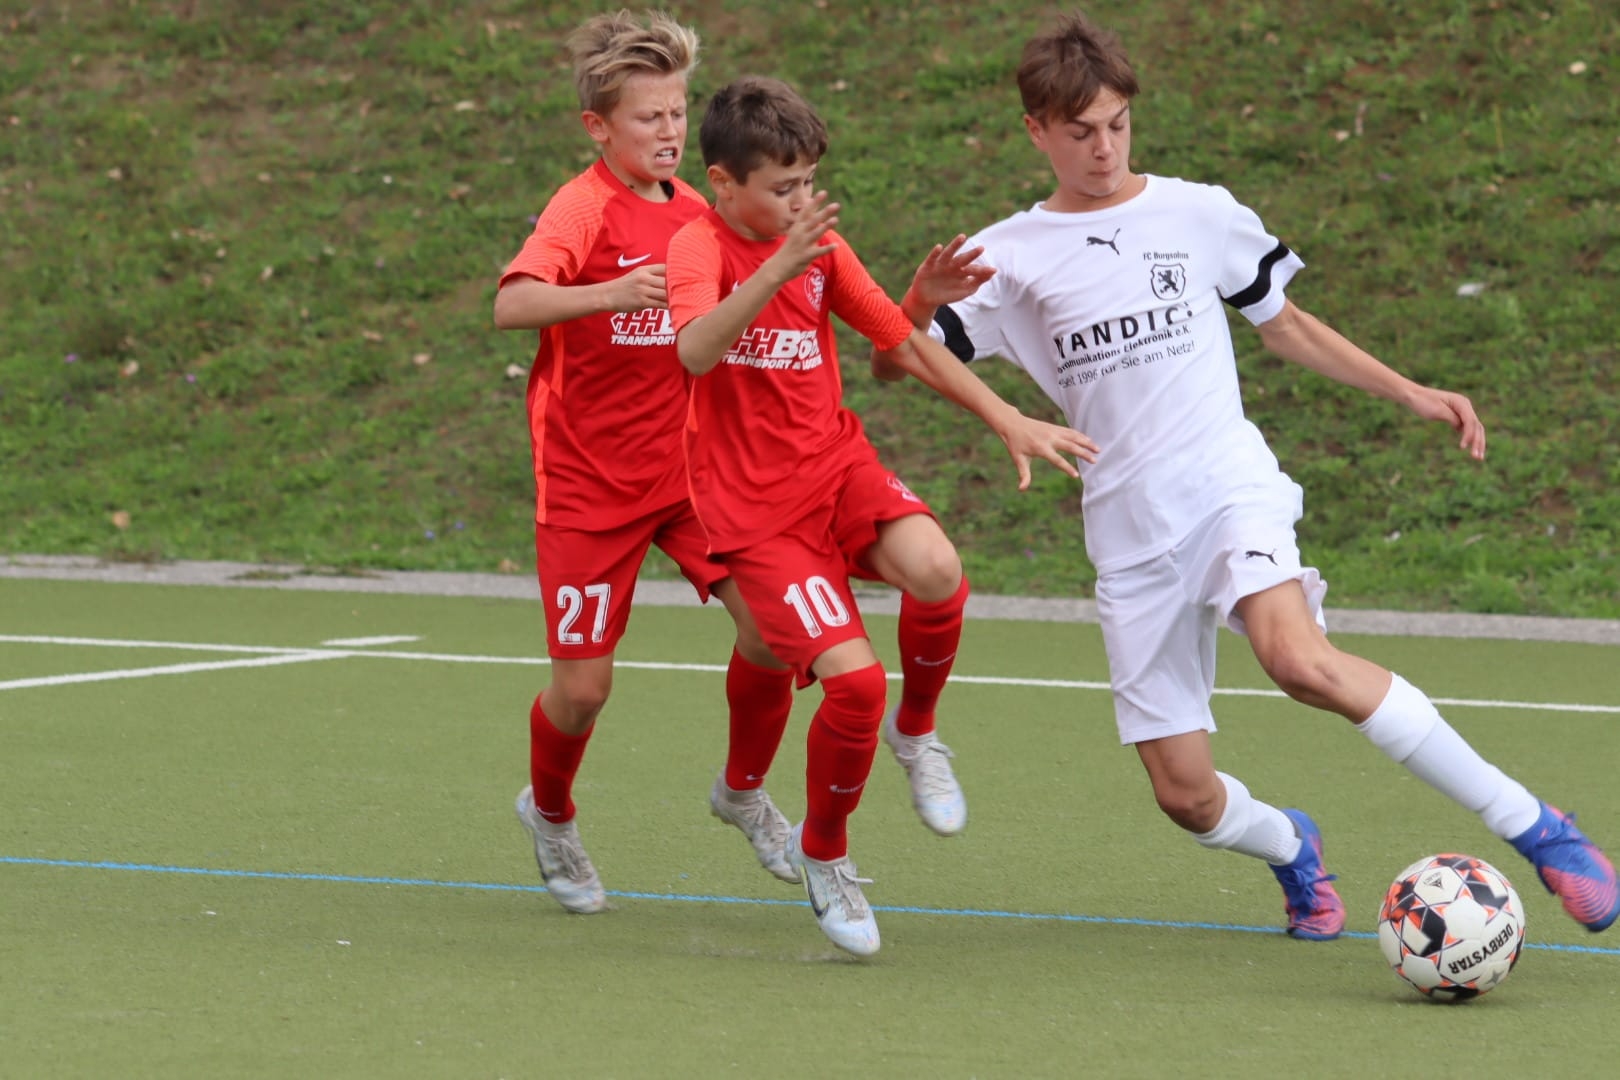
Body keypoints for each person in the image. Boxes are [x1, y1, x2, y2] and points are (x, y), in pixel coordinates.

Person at [880, 10, 1618, 939]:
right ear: (1036, 131)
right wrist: (919, 302)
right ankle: (1292, 847)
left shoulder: (1199, 212)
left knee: (1298, 661)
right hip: (1128, 529)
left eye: (1117, 124)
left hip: (1226, 485)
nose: (1104, 148)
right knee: (1185, 795)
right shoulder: (1007, 255)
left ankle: (1541, 830)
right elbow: (895, 357)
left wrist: (1408, 389)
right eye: (1080, 132)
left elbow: (1286, 325)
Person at [665, 74, 1098, 956]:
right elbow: (695, 350)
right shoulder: (697, 247)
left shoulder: (821, 248)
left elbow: (898, 343)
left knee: (939, 570)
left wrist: (1004, 415)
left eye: (808, 182)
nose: (802, 201)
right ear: (723, 182)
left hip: (836, 471)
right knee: (853, 685)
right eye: (782, 187)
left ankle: (918, 732)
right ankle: (825, 853)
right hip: (755, 515)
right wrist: (775, 268)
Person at [492, 11, 801, 914]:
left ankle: (743, 791)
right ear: (599, 126)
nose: (668, 131)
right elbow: (513, 304)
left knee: (775, 632)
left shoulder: (700, 211)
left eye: (676, 113)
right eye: (647, 117)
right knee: (583, 691)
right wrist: (612, 292)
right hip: (588, 485)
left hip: (690, 476)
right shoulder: (582, 206)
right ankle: (550, 813)